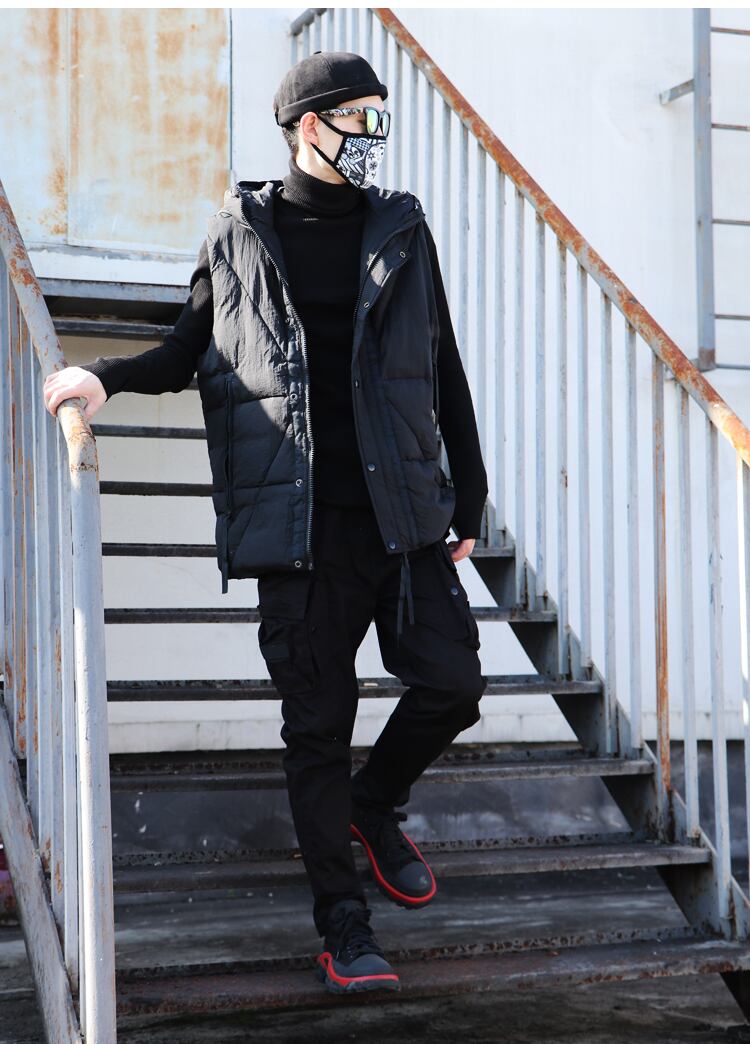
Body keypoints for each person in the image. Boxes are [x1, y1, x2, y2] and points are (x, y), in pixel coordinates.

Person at [43, 51, 489, 996]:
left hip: (402, 519)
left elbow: (441, 363)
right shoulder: (239, 235)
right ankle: (344, 925)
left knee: (454, 685)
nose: (375, 137)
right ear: (308, 126)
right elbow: (185, 350)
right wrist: (104, 378)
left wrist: (471, 492)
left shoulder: (402, 228)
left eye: (381, 119)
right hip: (301, 534)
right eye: (361, 118)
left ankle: (373, 804)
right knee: (318, 729)